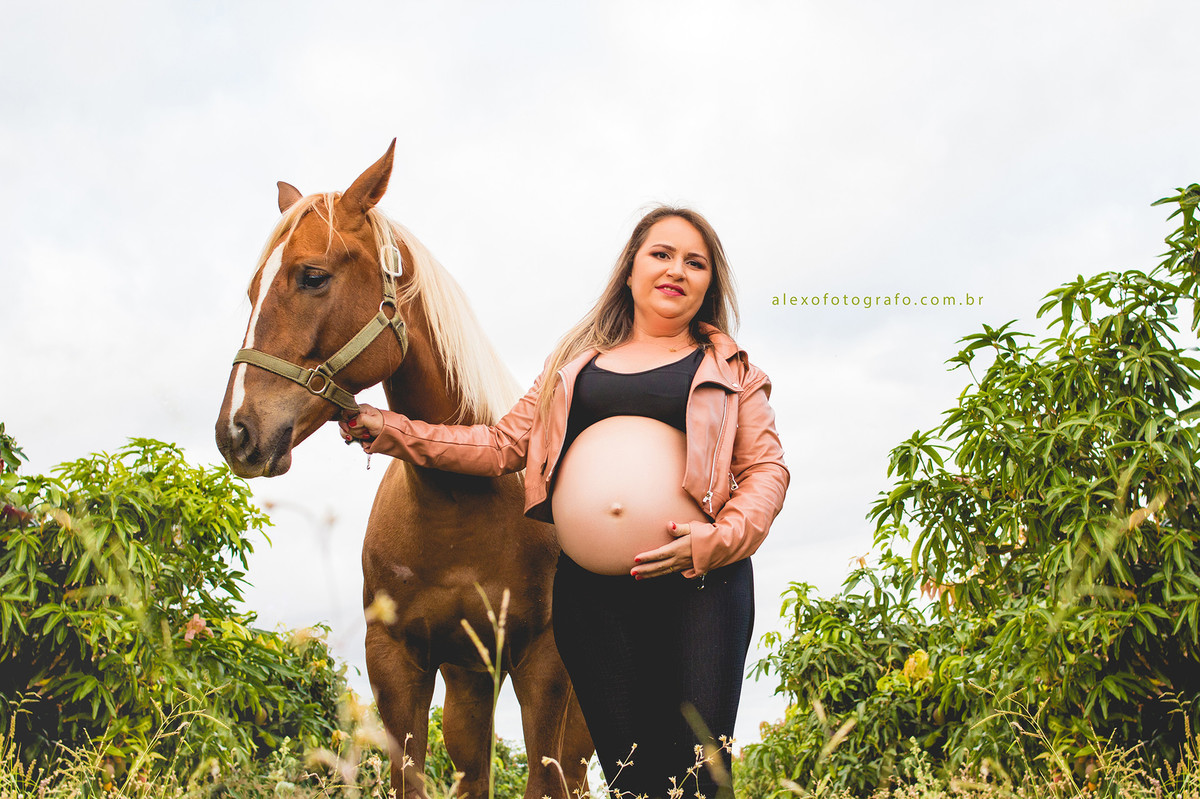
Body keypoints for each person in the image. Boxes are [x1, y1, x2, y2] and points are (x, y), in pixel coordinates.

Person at [340, 206, 789, 799]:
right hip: (593, 595)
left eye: (695, 261)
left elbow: (766, 471)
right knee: (631, 777)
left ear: (710, 283)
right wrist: (399, 430)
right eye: (661, 254)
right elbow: (500, 446)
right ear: (630, 270)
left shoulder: (732, 371)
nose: (676, 268)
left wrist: (719, 538)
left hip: (701, 586)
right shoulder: (573, 364)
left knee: (700, 775)